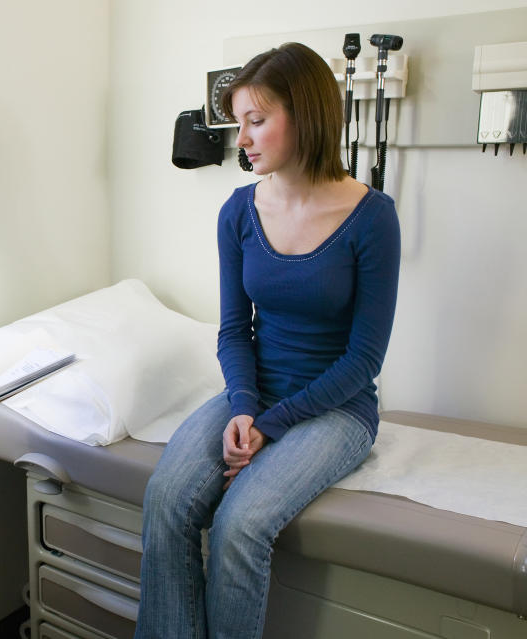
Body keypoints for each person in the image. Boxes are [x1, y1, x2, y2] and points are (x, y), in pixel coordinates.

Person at [134, 43, 401, 639]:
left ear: (303, 116)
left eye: (257, 121)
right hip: (255, 395)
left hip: (336, 408)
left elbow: (364, 359)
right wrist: (245, 406)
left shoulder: (372, 215)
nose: (243, 139)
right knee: (167, 498)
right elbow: (234, 330)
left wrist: (269, 426)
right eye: (240, 124)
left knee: (240, 525)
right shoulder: (238, 211)